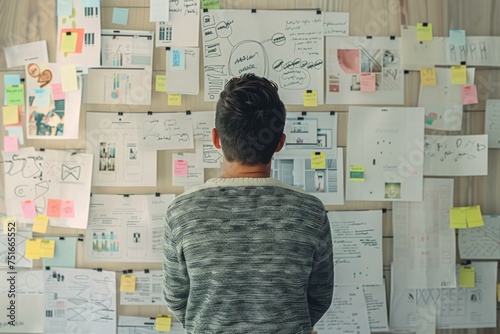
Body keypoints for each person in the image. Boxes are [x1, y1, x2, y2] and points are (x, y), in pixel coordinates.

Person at [163, 73, 334, 334]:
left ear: (216, 139)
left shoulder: (181, 212)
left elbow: (177, 298)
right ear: (279, 143)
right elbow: (319, 297)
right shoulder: (311, 213)